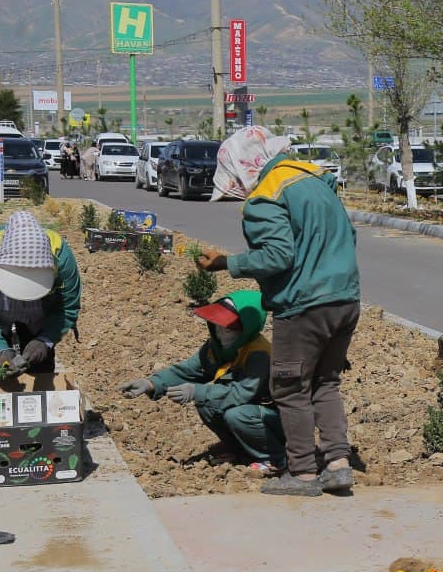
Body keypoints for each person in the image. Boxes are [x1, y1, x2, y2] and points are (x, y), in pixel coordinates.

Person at [197, 153, 361, 497]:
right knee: (326, 382)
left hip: (303, 305)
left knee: (290, 387)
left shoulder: (267, 195)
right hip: (345, 300)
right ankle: (338, 464)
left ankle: (302, 473)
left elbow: (278, 255)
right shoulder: (316, 182)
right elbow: (349, 237)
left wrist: (227, 263)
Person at [119, 290, 285, 475]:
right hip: (249, 409)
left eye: (228, 328)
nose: (221, 333)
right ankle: (239, 450)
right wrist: (151, 383)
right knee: (207, 404)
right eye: (218, 326)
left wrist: (196, 391)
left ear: (246, 330)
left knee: (236, 414)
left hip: (275, 418)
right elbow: (190, 370)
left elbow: (241, 393)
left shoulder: (259, 354)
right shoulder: (218, 347)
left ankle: (274, 458)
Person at [0, 210, 81, 378]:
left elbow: (67, 308)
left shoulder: (62, 258)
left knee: (40, 366)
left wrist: (45, 340)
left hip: (40, 311)